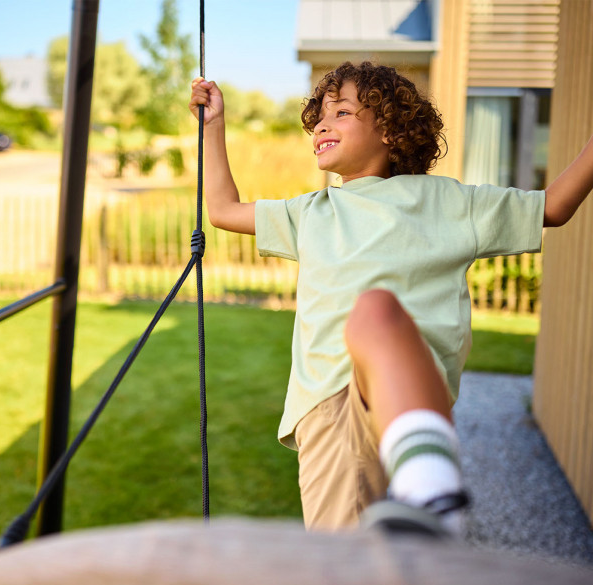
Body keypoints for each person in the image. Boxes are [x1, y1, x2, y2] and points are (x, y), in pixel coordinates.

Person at [189, 61, 593, 536]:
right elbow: (222, 210)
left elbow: (555, 205)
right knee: (352, 570)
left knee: (378, 313)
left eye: (341, 112)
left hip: (413, 398)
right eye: (319, 114)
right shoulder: (313, 212)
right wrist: (213, 127)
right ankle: (433, 494)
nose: (321, 123)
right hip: (334, 405)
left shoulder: (453, 204)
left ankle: (433, 494)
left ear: (391, 128)